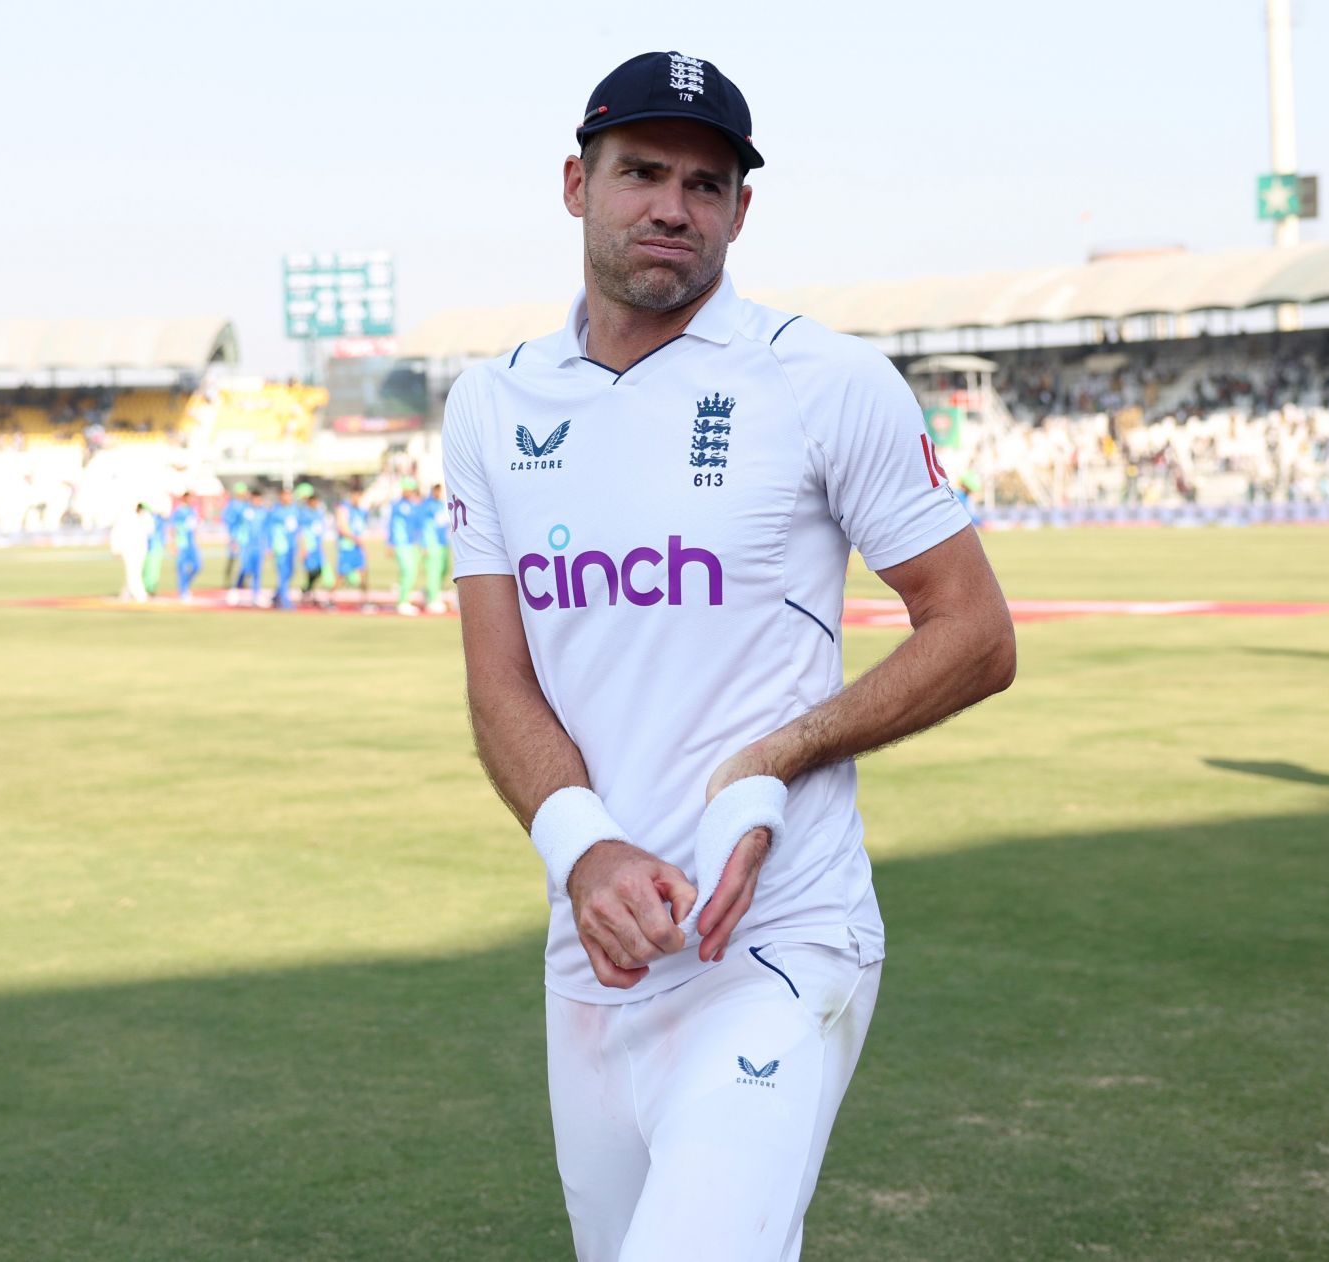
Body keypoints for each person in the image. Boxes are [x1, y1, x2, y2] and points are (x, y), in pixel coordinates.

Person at [443, 51, 1016, 1262]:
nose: (672, 205)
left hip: (779, 937)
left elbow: (974, 628)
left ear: (742, 211)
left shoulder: (826, 381)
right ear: (575, 184)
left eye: (707, 185)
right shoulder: (493, 405)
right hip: (596, 946)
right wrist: (582, 847)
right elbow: (501, 682)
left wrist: (775, 755)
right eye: (641, 171)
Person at [387, 477, 425, 615]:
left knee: (412, 572)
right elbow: (391, 525)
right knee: (408, 570)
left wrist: (421, 543)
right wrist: (390, 543)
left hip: (412, 544)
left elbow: (418, 526)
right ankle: (402, 602)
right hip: (400, 543)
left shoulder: (415, 505)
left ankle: (404, 597)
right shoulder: (397, 505)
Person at [334, 483, 374, 611]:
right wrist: (355, 539)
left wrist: (363, 546)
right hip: (347, 547)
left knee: (363, 573)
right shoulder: (344, 509)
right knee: (341, 575)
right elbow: (342, 528)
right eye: (356, 496)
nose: (358, 499)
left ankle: (365, 601)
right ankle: (332, 599)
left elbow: (361, 529)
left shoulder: (360, 511)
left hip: (357, 547)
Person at [227, 486, 268, 607]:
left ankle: (256, 595)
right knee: (244, 569)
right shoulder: (244, 511)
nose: (257, 501)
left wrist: (267, 546)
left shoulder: (263, 512)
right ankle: (235, 590)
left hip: (258, 546)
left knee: (257, 571)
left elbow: (266, 530)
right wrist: (235, 541)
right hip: (246, 545)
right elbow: (235, 526)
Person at [294, 483, 332, 606]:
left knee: (320, 571)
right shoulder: (304, 513)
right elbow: (302, 532)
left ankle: (307, 589)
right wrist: (303, 547)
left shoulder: (318, 512)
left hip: (317, 548)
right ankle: (309, 592)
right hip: (309, 548)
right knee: (312, 571)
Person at [109, 502, 152, 603]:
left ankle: (125, 594)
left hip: (141, 549)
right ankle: (141, 597)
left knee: (135, 572)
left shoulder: (145, 518)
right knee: (133, 573)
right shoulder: (126, 519)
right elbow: (116, 533)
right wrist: (115, 549)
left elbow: (150, 530)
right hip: (129, 549)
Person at [420, 481, 452, 614]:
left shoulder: (441, 504)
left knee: (444, 570)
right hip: (432, 543)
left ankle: (430, 591)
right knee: (434, 571)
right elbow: (422, 525)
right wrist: (424, 544)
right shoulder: (427, 505)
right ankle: (432, 600)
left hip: (442, 542)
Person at [267, 483, 300, 609]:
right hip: (281, 547)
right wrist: (269, 546)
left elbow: (298, 529)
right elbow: (269, 529)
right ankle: (284, 601)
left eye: (290, 496)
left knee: (290, 572)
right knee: (283, 572)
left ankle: (277, 595)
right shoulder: (275, 511)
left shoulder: (294, 510)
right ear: (281, 496)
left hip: (292, 546)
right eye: (285, 495)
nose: (288, 498)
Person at [170, 492, 202, 600]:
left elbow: (194, 527)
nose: (192, 500)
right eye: (190, 498)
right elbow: (173, 528)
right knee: (182, 568)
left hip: (191, 542)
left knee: (197, 566)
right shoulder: (179, 511)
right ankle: (183, 590)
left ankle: (185, 586)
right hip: (182, 542)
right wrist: (174, 544)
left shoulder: (192, 510)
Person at [221, 481, 250, 588]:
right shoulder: (233, 505)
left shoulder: (247, 505)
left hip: (246, 537)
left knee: (245, 560)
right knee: (232, 559)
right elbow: (229, 521)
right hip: (236, 536)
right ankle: (227, 581)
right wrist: (233, 538)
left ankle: (242, 581)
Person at [141, 500, 169, 596]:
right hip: (150, 546)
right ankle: (147, 587)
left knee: (152, 569)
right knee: (148, 568)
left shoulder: (156, 518)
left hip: (155, 546)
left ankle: (150, 588)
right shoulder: (149, 518)